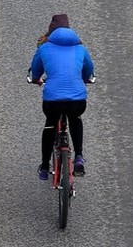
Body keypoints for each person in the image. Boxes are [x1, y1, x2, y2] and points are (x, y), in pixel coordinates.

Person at [29, 13, 94, 179]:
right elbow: (89, 71)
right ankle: (78, 156)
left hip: (53, 100)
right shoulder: (80, 48)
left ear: (50, 31)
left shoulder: (44, 48)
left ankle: (44, 167)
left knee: (50, 124)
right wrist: (85, 80)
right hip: (77, 99)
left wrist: (36, 80)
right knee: (75, 118)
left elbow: (35, 72)